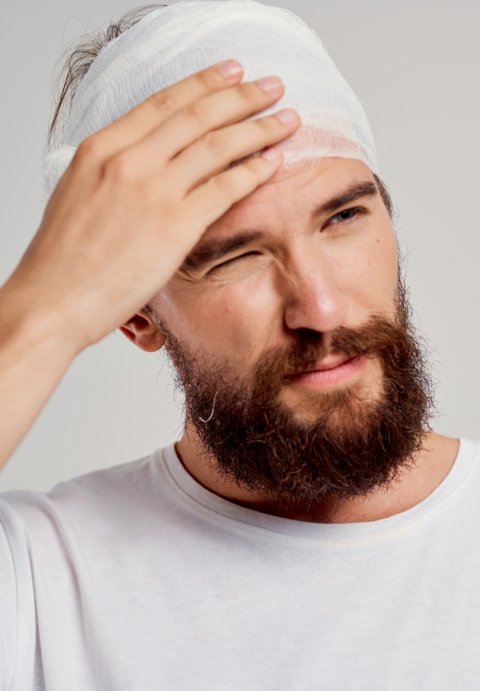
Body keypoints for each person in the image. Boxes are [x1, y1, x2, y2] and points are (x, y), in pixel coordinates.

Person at [0, 1, 478, 689]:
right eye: (236, 257)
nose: (319, 306)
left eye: (343, 215)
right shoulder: (41, 583)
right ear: (134, 314)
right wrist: (47, 305)